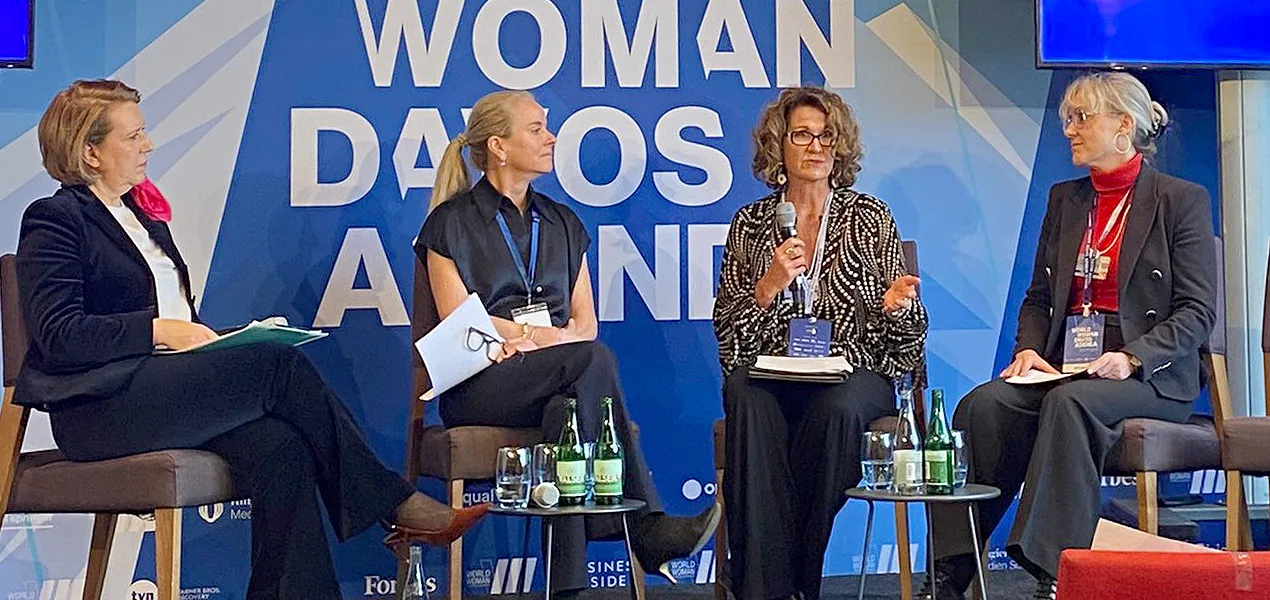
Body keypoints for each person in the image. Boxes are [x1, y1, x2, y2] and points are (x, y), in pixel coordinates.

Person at [13, 80, 488, 600]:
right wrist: (158, 329)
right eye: (134, 136)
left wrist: (216, 341)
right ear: (90, 151)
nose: (148, 145)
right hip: (102, 408)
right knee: (275, 367)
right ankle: (394, 503)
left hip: (163, 388)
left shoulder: (142, 217)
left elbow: (174, 316)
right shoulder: (54, 219)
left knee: (282, 447)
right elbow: (58, 334)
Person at [415, 90, 721, 594]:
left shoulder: (562, 222)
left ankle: (567, 587)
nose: (551, 137)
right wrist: (537, 337)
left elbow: (586, 322)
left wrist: (541, 344)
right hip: (480, 382)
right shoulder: (449, 224)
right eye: (535, 128)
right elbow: (459, 320)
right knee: (589, 362)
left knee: (567, 413)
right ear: (499, 145)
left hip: (556, 371)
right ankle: (646, 527)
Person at [926, 72, 1216, 600]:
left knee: (1070, 404)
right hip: (1070, 362)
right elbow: (1039, 296)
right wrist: (1029, 350)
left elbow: (1198, 311)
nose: (1070, 131)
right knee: (983, 406)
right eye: (1067, 119)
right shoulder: (1067, 199)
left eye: (1082, 119)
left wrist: (1131, 357)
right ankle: (951, 570)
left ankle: (1052, 571)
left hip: (1150, 372)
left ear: (1123, 126)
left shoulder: (1180, 200)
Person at [713, 86, 928, 600]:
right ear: (778, 146)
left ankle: (787, 576)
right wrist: (767, 286)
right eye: (803, 135)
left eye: (826, 136)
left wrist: (897, 307)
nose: (816, 147)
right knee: (745, 394)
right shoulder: (751, 223)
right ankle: (777, 589)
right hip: (775, 371)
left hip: (855, 373)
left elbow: (905, 349)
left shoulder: (869, 217)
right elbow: (727, 339)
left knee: (836, 408)